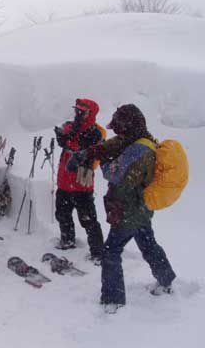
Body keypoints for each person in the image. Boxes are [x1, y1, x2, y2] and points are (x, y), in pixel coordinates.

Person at [69, 104, 176, 313]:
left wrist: (104, 161)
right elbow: (111, 145)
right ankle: (166, 279)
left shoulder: (140, 149)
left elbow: (116, 175)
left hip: (129, 209)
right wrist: (87, 153)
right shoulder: (134, 138)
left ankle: (113, 300)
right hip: (139, 208)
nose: (117, 132)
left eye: (119, 127)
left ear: (128, 125)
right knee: (148, 243)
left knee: (110, 252)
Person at [53, 98, 104, 262]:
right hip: (64, 181)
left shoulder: (94, 132)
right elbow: (66, 140)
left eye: (82, 110)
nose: (78, 113)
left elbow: (86, 150)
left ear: (91, 113)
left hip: (81, 183)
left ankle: (98, 253)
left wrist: (68, 141)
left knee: (88, 220)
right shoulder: (70, 125)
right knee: (62, 214)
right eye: (77, 109)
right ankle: (67, 241)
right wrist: (62, 137)